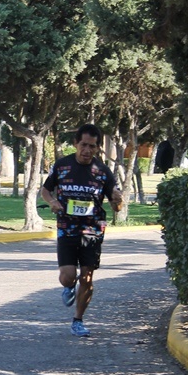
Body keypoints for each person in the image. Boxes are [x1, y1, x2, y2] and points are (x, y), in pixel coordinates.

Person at [39, 123, 123, 337]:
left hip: (92, 230)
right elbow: (45, 190)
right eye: (83, 145)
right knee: (68, 276)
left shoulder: (102, 172)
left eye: (92, 146)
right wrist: (53, 202)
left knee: (87, 277)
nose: (87, 150)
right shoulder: (62, 166)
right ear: (76, 143)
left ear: (97, 148)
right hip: (66, 228)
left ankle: (78, 320)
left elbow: (116, 206)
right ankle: (68, 287)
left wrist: (118, 201)